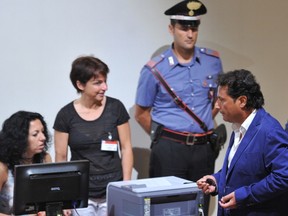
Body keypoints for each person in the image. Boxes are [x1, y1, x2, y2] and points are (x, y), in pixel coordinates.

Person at [134, 0, 223, 215]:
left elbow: (218, 101)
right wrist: (164, 137)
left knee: (200, 206)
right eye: (184, 28)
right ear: (171, 29)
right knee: (167, 207)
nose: (190, 34)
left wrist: (202, 126)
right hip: (169, 149)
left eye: (194, 28)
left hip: (203, 149)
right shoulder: (155, 68)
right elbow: (141, 113)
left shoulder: (213, 61)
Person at [197, 69, 288, 215]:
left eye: (222, 100)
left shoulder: (270, 131)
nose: (217, 106)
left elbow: (284, 176)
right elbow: (243, 170)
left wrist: (245, 195)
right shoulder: (239, 127)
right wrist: (216, 180)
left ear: (242, 101)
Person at [53, 56, 133, 216]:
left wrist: (126, 186)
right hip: (81, 194)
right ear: (80, 84)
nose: (105, 87)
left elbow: (126, 148)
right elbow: (60, 158)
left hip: (113, 190)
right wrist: (64, 197)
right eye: (98, 83)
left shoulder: (115, 108)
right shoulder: (65, 115)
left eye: (105, 81)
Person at [0, 111, 52, 216]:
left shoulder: (45, 159)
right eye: (35, 134)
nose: (43, 138)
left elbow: (51, 195)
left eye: (43, 132)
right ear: (19, 138)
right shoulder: (2, 168)